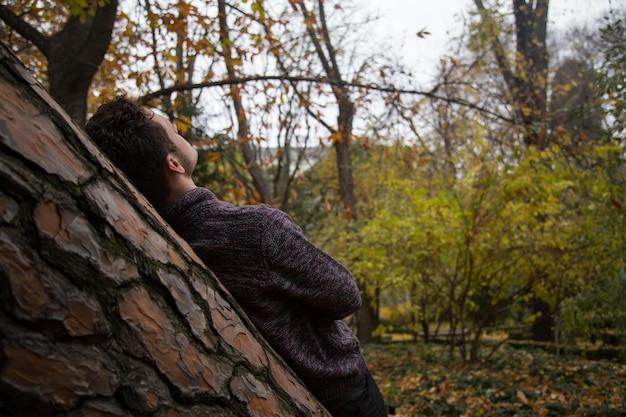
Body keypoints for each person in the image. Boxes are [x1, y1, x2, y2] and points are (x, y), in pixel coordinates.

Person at [85, 96, 387, 417]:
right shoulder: (256, 230)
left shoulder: (152, 244)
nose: (178, 129)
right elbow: (345, 296)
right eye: (174, 131)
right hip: (345, 395)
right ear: (173, 163)